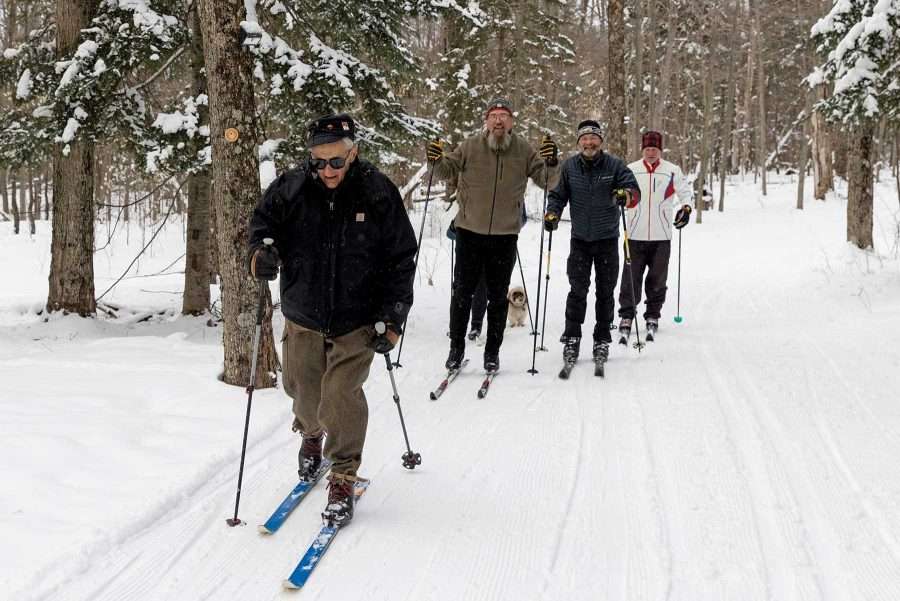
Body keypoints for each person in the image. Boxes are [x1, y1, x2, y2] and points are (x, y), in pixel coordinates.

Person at [248, 113, 417, 526]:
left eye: (336, 162)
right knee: (304, 393)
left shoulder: (377, 191)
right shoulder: (290, 187)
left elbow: (401, 257)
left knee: (340, 395)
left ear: (353, 152)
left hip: (358, 319)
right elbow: (261, 224)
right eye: (319, 162)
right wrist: (261, 253)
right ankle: (310, 434)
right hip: (303, 313)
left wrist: (393, 316)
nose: (327, 171)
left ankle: (342, 473)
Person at [427, 97, 559, 372]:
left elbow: (547, 180)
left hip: (504, 235)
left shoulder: (523, 149)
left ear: (511, 122)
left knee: (498, 296)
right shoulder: (470, 146)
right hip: (469, 232)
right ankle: (456, 349)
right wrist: (435, 159)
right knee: (462, 293)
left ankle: (492, 353)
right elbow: (445, 170)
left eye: (504, 116)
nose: (499, 120)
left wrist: (552, 161)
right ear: (486, 121)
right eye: (494, 115)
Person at [543, 119, 640, 368]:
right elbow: (557, 194)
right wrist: (552, 213)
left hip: (607, 238)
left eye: (593, 138)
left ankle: (602, 339)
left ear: (600, 141)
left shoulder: (614, 165)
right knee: (577, 291)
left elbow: (633, 191)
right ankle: (572, 337)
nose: (589, 142)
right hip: (580, 241)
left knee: (605, 292)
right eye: (584, 138)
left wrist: (625, 194)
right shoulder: (570, 167)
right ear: (579, 142)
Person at [617, 130, 692, 340]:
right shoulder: (630, 169)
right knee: (630, 278)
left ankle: (653, 315)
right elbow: (618, 193)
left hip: (662, 236)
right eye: (648, 148)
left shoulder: (672, 170)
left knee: (657, 279)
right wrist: (619, 198)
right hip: (634, 234)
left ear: (660, 150)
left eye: (655, 149)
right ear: (643, 149)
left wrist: (686, 209)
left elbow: (686, 194)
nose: (651, 152)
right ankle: (626, 315)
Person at [446, 220, 487, 341]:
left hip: (484, 254)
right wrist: (455, 226)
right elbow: (449, 234)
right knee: (459, 290)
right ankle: (455, 328)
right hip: (463, 255)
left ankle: (475, 326)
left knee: (480, 289)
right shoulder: (462, 208)